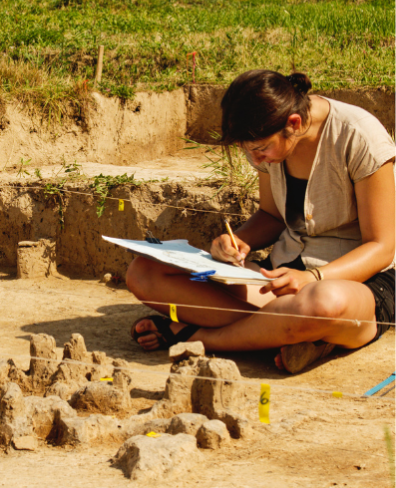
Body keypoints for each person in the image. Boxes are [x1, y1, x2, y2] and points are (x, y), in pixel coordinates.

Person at [126, 69, 395, 373]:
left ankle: (196, 336)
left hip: (355, 286)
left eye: (260, 150)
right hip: (281, 277)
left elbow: (382, 247)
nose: (256, 161)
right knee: (145, 272)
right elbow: (272, 215)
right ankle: (293, 334)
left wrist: (314, 278)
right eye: (248, 152)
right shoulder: (269, 140)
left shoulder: (359, 135)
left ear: (293, 123)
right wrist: (239, 242)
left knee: (321, 303)